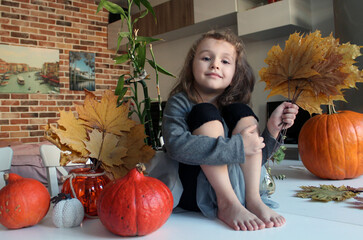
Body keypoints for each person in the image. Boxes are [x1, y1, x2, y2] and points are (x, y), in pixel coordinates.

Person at [162, 29, 299, 231]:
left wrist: (272, 130)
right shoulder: (179, 102)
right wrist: (237, 146)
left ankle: (252, 199)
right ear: (192, 64)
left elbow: (252, 156)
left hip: (240, 190)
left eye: (225, 61)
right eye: (206, 57)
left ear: (236, 72)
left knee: (240, 110)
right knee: (204, 112)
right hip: (194, 190)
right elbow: (176, 146)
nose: (215, 64)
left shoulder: (236, 108)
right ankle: (227, 204)